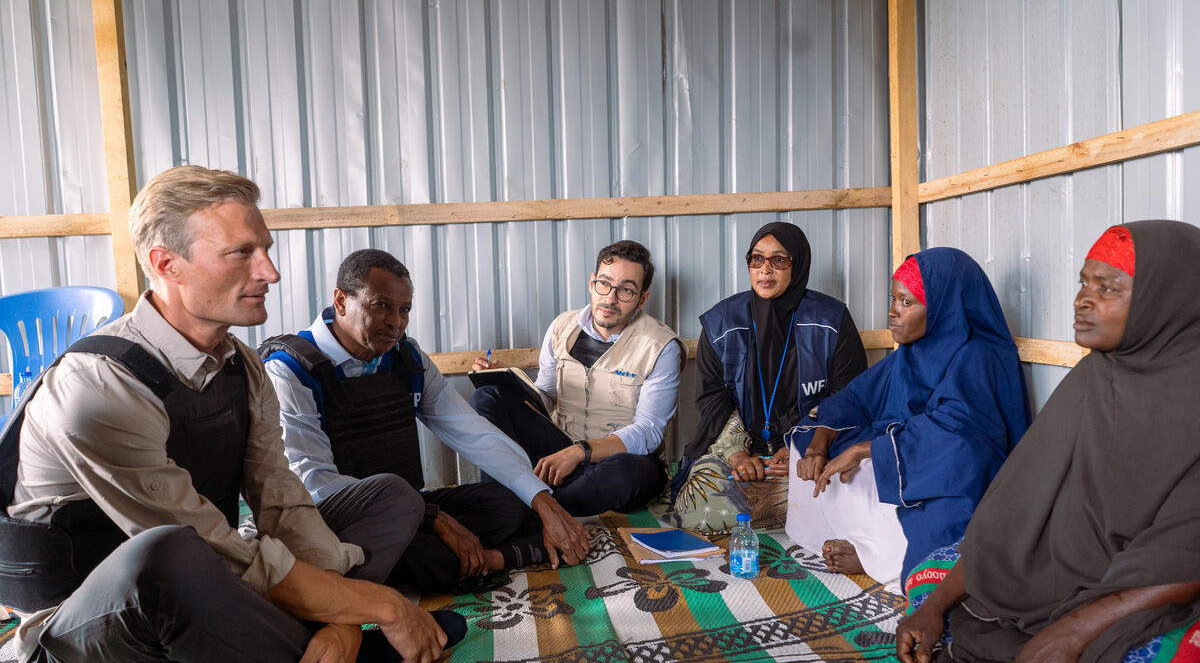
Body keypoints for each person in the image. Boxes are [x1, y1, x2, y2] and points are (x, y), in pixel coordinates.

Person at [0, 166, 453, 663]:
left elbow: (281, 499)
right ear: (166, 264)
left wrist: (342, 616)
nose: (270, 271)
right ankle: (306, 662)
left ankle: (276, 661)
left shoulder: (242, 366)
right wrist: (384, 606)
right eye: (242, 253)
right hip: (90, 648)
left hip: (212, 593)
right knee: (169, 553)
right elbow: (205, 550)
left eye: (265, 249)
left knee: (390, 496)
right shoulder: (97, 387)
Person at [893, 221, 1200, 663]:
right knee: (928, 581)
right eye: (1084, 283)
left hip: (1153, 587)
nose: (1083, 301)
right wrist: (936, 605)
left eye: (1109, 288)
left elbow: (1184, 558)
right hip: (1061, 572)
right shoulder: (1094, 377)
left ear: (1164, 300)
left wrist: (1069, 635)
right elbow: (1013, 511)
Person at [260, 249, 591, 588]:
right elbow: (315, 485)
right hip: (334, 520)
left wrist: (543, 501)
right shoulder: (290, 371)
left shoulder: (407, 357)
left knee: (513, 504)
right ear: (341, 301)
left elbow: (472, 431)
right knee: (423, 541)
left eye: (404, 310)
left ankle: (455, 557)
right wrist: (433, 518)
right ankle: (493, 557)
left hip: (411, 510)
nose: (396, 322)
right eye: (381, 306)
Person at [786, 247, 1029, 592]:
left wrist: (865, 451)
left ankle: (881, 558)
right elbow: (854, 399)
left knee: (946, 512)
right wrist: (819, 446)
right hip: (901, 450)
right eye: (893, 299)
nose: (892, 312)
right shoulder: (912, 352)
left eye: (906, 302)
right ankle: (863, 541)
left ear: (947, 306)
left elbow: (960, 437)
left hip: (952, 469)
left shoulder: (981, 355)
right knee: (809, 439)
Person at [667, 221, 867, 533]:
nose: (765, 270)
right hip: (740, 450)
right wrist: (738, 455)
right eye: (756, 259)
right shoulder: (721, 322)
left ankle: (791, 504)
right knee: (697, 506)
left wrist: (804, 446)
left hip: (814, 448)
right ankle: (804, 510)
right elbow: (711, 398)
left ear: (797, 265)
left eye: (779, 260)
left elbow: (848, 395)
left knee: (854, 481)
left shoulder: (831, 319)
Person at [470, 240, 685, 517]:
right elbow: (545, 397)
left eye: (626, 291)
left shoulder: (661, 346)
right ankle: (499, 499)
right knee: (487, 395)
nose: (610, 298)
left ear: (642, 298)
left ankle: (532, 512)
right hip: (560, 449)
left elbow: (648, 431)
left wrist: (581, 452)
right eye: (604, 284)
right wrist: (508, 382)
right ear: (592, 282)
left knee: (631, 473)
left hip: (615, 462)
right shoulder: (561, 327)